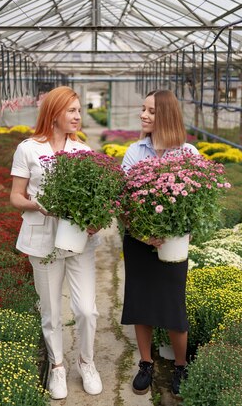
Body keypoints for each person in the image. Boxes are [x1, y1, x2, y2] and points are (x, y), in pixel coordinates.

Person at [10, 86, 103, 400]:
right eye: (72, 111)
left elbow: (94, 200)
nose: (78, 116)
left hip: (78, 240)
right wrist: (37, 204)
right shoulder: (28, 149)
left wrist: (96, 219)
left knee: (87, 311)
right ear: (54, 113)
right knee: (51, 311)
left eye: (79, 111)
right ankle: (58, 367)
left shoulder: (83, 152)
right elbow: (15, 196)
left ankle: (87, 363)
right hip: (42, 239)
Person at [121, 90, 199, 396]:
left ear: (165, 115)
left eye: (151, 111)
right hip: (139, 241)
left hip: (173, 244)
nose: (143, 115)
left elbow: (195, 202)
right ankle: (146, 364)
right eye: (143, 109)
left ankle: (180, 366)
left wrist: (178, 230)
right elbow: (123, 202)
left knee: (172, 307)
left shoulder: (187, 154)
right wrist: (142, 232)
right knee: (140, 304)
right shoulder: (134, 151)